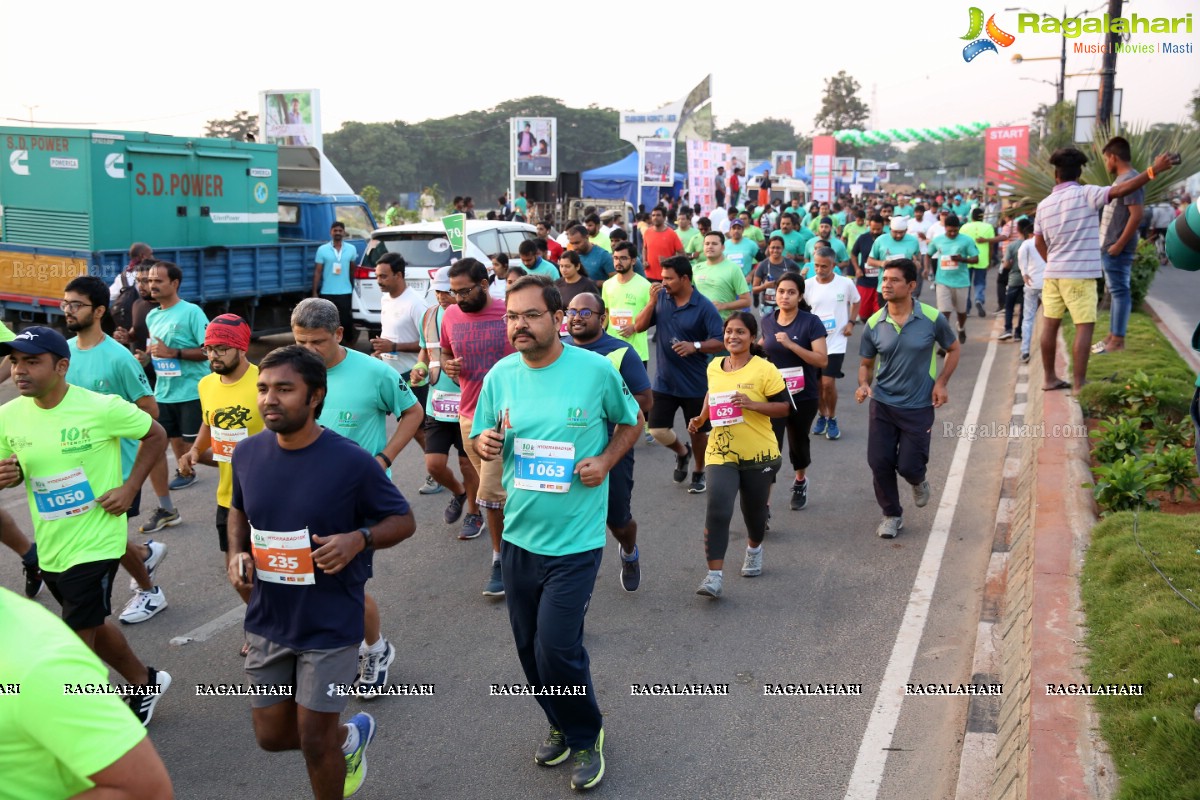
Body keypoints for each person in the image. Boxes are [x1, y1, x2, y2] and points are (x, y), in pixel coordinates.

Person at [472, 276, 640, 791]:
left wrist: (606, 460)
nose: (519, 325)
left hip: (576, 541)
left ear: (558, 318)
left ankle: (587, 736)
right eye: (511, 317)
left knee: (558, 648)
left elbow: (631, 421)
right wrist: (485, 443)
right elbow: (481, 434)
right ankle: (559, 722)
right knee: (528, 647)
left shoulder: (594, 370)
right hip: (521, 538)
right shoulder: (501, 376)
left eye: (530, 315)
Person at [227, 345, 415, 799]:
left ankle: (332, 750)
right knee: (271, 737)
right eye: (264, 389)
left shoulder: (349, 460)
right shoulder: (248, 453)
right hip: (269, 617)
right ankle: (349, 740)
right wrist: (235, 553)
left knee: (314, 739)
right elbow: (236, 510)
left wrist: (359, 539)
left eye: (284, 389)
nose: (270, 399)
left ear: (315, 397)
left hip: (330, 622)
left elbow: (403, 520)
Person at [0, 327, 172, 724]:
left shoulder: (101, 407)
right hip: (52, 541)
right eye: (14, 362)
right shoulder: (9, 415)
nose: (19, 371)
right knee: (91, 619)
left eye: (31, 361)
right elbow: (11, 470)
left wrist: (130, 488)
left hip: (96, 540)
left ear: (61, 366)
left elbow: (156, 433)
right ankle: (144, 681)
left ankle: (85, 719)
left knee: (75, 641)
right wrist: (7, 476)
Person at [290, 298, 422, 693]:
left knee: (345, 584)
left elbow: (412, 413)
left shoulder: (373, 372)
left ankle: (376, 649)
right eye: (300, 342)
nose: (308, 351)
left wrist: (384, 457)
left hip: (355, 499)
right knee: (304, 579)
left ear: (339, 335)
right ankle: (327, 647)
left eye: (317, 342)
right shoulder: (291, 372)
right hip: (301, 495)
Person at [61, 276, 170, 626]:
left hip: (116, 469)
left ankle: (149, 590)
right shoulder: (61, 353)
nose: (68, 310)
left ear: (99, 311)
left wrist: (108, 422)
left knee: (104, 540)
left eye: (75, 304)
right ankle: (145, 553)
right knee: (105, 539)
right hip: (74, 466)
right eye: (65, 304)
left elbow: (150, 412)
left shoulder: (118, 357)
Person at [0, 587, 175, 799]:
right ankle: (144, 682)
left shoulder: (37, 665)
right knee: (89, 620)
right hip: (56, 561)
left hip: (89, 555)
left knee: (84, 624)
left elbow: (146, 791)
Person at [1034, 151, 1177, 388]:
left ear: (1055, 174)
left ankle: (1049, 378)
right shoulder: (1086, 193)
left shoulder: (1043, 205)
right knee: (1084, 326)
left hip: (1053, 275)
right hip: (1079, 276)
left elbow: (1039, 241)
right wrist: (1154, 170)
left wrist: (1051, 262)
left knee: (1050, 325)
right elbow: (1121, 190)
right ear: (1079, 173)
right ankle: (1080, 383)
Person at [686, 312, 789, 597]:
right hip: (721, 450)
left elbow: (784, 407)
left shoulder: (764, 369)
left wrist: (752, 404)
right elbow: (712, 394)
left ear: (752, 337)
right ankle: (714, 576)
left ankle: (754, 548)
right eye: (729, 331)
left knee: (754, 513)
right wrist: (701, 417)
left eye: (740, 332)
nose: (733, 336)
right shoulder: (715, 366)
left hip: (759, 453)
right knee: (718, 507)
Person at [856, 260, 960, 539]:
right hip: (883, 404)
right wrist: (864, 384)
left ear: (911, 286)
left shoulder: (931, 317)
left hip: (918, 405)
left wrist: (941, 383)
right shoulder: (875, 323)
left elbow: (953, 348)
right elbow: (866, 363)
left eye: (894, 280)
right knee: (879, 462)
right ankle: (891, 514)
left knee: (909, 465)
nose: (886, 284)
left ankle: (917, 480)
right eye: (884, 279)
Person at [177, 315, 264, 645]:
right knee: (239, 575)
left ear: (241, 348)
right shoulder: (206, 385)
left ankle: (273, 628)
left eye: (221, 348)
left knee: (274, 572)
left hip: (267, 497)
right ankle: (260, 624)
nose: (213, 355)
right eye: (209, 348)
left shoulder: (263, 382)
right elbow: (209, 424)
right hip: (229, 498)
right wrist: (194, 452)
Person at [440, 258, 517, 596]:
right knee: (503, 493)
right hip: (468, 415)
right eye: (453, 291)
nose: (458, 298)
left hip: (506, 418)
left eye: (465, 290)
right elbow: (444, 353)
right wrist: (448, 366)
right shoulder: (450, 316)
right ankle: (515, 546)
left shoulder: (508, 313)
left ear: (485, 285)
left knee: (490, 495)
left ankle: (500, 561)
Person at [567, 291, 653, 591]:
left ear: (602, 318)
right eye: (571, 311)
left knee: (618, 520)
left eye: (585, 312)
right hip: (566, 450)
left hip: (611, 448)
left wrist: (601, 407)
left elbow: (644, 399)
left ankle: (629, 551)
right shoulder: (559, 348)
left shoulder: (620, 352)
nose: (576, 317)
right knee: (569, 520)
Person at [635, 256, 724, 494]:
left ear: (684, 278)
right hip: (664, 380)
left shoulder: (704, 306)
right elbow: (639, 326)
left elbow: (720, 340)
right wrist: (652, 301)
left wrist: (695, 346)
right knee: (656, 430)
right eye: (662, 277)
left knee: (697, 431)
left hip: (695, 383)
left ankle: (698, 470)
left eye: (668, 278)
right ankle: (682, 453)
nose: (663, 282)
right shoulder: (661, 298)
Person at [411, 267, 484, 540]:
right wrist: (420, 366)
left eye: (447, 291)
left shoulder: (474, 316)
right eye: (438, 291)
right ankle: (459, 492)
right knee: (434, 465)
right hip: (437, 403)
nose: (442, 296)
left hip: (469, 404)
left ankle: (475, 513)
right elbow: (425, 349)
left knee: (468, 465)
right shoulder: (429, 315)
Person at [760, 273, 828, 511]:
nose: (785, 296)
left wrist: (791, 345)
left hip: (803, 395)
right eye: (781, 291)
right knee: (770, 449)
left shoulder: (811, 322)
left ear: (800, 296)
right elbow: (764, 347)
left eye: (791, 292)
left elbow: (821, 360)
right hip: (774, 397)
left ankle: (800, 481)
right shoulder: (767, 320)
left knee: (798, 443)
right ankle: (764, 506)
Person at [371, 253, 435, 492]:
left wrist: (394, 347)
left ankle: (436, 470)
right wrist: (381, 352)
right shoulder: (386, 299)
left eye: (384, 276)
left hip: (412, 374)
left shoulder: (416, 303)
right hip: (388, 373)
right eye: (377, 276)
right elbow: (390, 334)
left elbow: (430, 343)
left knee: (418, 429)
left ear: (399, 275)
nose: (379, 281)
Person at [146, 261, 210, 491]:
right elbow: (155, 349)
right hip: (164, 390)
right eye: (149, 280)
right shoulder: (152, 316)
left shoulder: (191, 312)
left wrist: (175, 353)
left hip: (190, 389)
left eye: (157, 281)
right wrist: (145, 359)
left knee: (193, 445)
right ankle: (185, 472)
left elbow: (209, 350)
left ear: (174, 283)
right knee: (172, 436)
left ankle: (236, 465)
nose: (151, 285)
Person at [1094, 137, 1146, 356]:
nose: (1106, 163)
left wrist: (1119, 244)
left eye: (1106, 158)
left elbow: (1136, 216)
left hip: (1116, 246)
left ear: (1113, 157)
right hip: (1110, 244)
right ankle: (1113, 335)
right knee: (1116, 291)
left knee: (1119, 291)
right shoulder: (1123, 180)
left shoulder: (1131, 180)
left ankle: (1118, 339)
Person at [805, 249, 859, 441]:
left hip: (836, 342)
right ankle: (822, 415)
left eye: (824, 266)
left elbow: (856, 301)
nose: (819, 269)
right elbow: (802, 310)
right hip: (813, 343)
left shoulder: (845, 283)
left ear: (833, 265)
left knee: (828, 384)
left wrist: (851, 322)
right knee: (817, 385)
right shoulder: (808, 285)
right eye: (816, 265)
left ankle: (833, 417)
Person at [927, 214, 978, 348]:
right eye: (950, 230)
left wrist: (962, 259)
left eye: (956, 230)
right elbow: (928, 253)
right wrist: (926, 269)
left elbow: (975, 258)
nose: (953, 233)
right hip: (942, 281)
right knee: (944, 312)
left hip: (961, 281)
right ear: (945, 228)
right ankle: (946, 343)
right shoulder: (938, 240)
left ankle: (961, 328)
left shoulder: (966, 240)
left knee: (961, 312)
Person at [602, 241, 653, 365]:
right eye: (615, 258)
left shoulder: (645, 286)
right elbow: (606, 313)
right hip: (612, 350)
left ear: (633, 261)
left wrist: (635, 327)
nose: (618, 262)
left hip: (636, 352)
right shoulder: (607, 285)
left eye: (623, 258)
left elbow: (653, 317)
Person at [865, 217, 921, 321]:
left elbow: (918, 260)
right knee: (885, 319)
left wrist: (917, 263)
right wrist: (882, 263)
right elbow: (870, 260)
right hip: (886, 288)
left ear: (906, 230)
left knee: (905, 318)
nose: (899, 235)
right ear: (890, 229)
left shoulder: (913, 241)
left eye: (902, 232)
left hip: (905, 287)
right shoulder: (881, 240)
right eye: (895, 232)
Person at [311, 221, 358, 344]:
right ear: (331, 232)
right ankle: (330, 343)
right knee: (327, 320)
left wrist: (355, 288)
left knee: (345, 320)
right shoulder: (322, 250)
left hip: (345, 291)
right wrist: (315, 292)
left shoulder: (351, 249)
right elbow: (317, 272)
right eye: (335, 230)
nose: (337, 233)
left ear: (344, 232)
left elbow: (353, 270)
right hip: (327, 292)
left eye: (340, 230)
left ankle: (347, 343)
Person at [693, 231, 751, 320]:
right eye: (707, 244)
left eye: (714, 244)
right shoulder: (696, 268)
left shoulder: (733, 268)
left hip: (722, 324)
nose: (710, 246)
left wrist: (723, 306)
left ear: (723, 247)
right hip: (697, 323)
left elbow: (747, 301)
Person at [961, 207, 1000, 317]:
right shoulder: (988, 227)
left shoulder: (964, 227)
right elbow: (991, 245)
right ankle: (979, 299)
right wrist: (989, 259)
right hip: (982, 259)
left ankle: (967, 308)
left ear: (971, 216)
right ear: (983, 217)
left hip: (967, 260)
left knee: (966, 284)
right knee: (980, 283)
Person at [1017, 218, 1046, 364]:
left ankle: (1025, 351)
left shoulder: (1027, 244)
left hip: (1031, 284)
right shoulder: (1048, 241)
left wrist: (1024, 274)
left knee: (1027, 318)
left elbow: (1021, 258)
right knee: (1049, 318)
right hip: (1047, 284)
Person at [752, 236, 800, 317]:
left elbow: (800, 280)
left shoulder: (790, 264)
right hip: (768, 307)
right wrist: (764, 286)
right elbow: (754, 289)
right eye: (772, 247)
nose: (775, 250)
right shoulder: (763, 265)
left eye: (778, 248)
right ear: (768, 248)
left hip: (786, 305)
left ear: (783, 248)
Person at [641, 205, 684, 282]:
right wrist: (644, 261)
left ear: (664, 218)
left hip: (667, 276)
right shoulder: (647, 232)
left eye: (658, 215)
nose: (655, 217)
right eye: (653, 215)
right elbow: (645, 248)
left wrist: (669, 260)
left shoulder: (672, 234)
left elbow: (682, 254)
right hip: (649, 275)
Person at [555, 251, 600, 321]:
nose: (563, 270)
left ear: (577, 266)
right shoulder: (557, 284)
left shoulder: (588, 285)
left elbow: (596, 308)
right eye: (561, 266)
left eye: (567, 266)